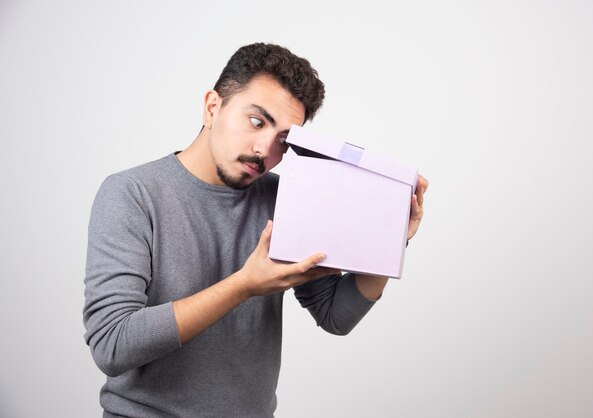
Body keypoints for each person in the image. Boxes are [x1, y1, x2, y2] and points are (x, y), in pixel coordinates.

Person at [83, 42, 428, 417]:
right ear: (213, 107)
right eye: (256, 121)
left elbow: (335, 315)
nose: (265, 149)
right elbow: (112, 344)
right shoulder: (132, 193)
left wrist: (390, 238)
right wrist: (244, 285)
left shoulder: (286, 198)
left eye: (283, 139)